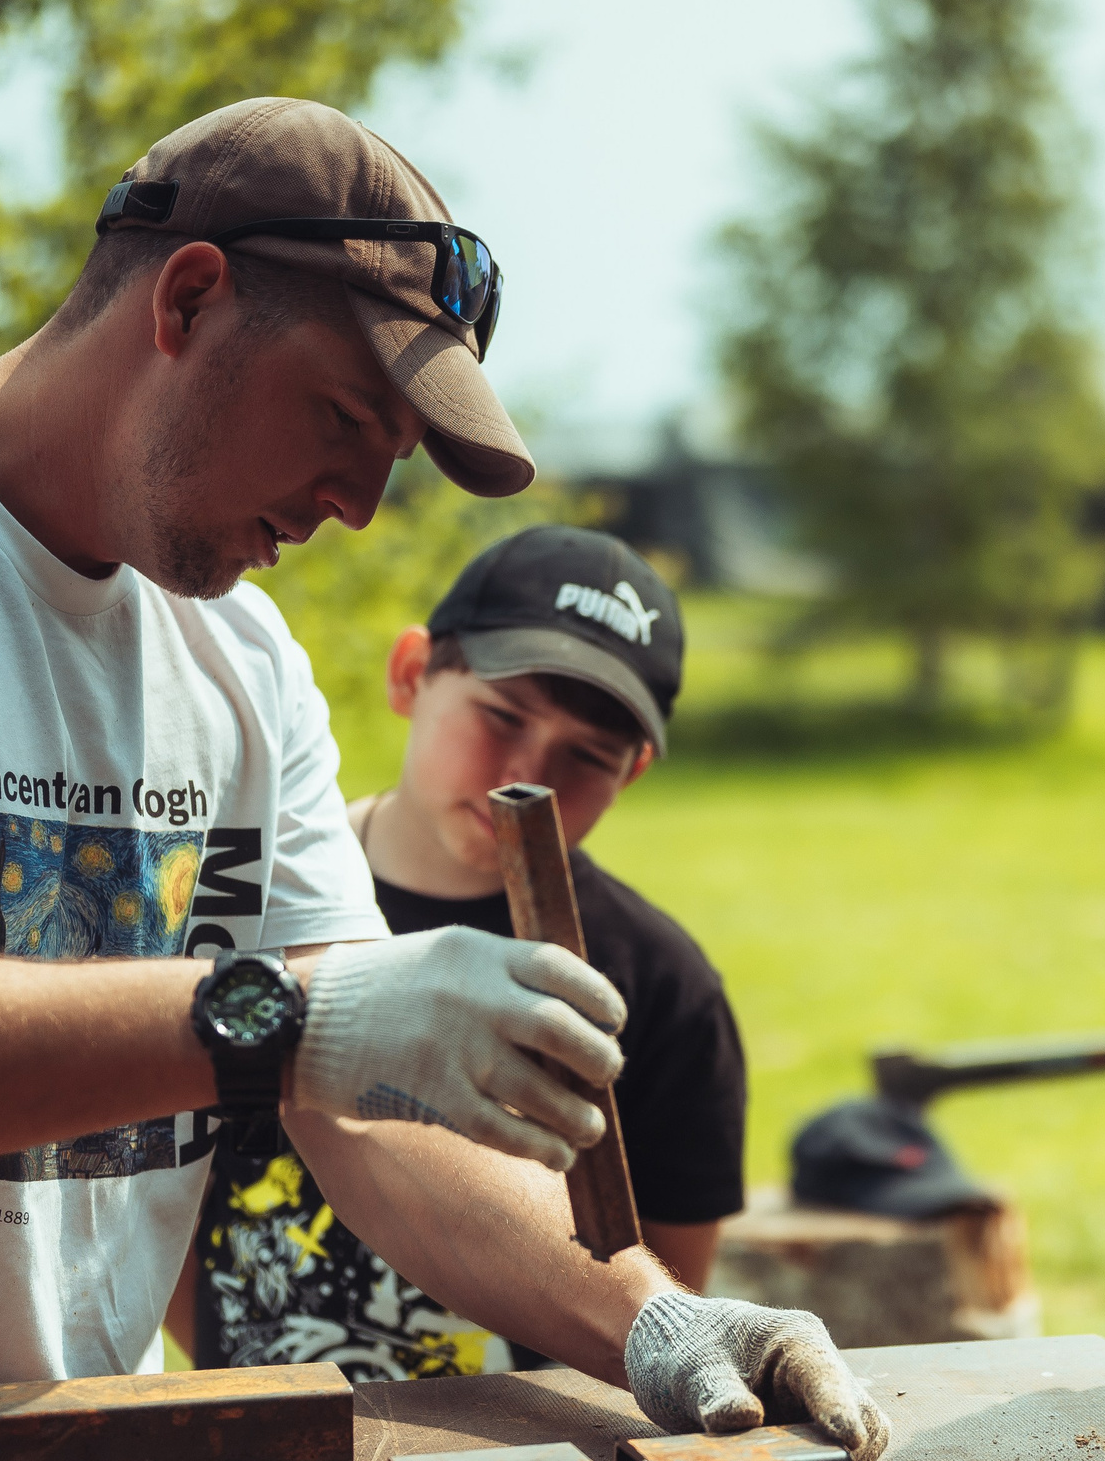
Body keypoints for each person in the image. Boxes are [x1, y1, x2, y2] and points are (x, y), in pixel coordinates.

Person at [0, 97, 886, 1461]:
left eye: (388, 462)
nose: (357, 506)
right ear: (186, 300)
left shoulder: (241, 664)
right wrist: (272, 1019)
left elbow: (365, 1106)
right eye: (341, 419)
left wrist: (651, 1317)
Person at [177, 526, 747, 1379]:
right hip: (258, 1418)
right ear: (412, 673)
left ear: (632, 772)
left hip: (533, 1445)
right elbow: (150, 1196)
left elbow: (671, 1290)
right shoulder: (240, 900)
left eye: (588, 756)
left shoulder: (663, 986)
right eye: (502, 715)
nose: (528, 771)